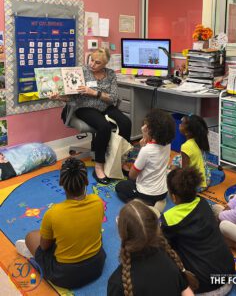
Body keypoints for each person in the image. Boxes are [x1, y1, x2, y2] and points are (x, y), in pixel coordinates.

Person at [15, 158, 106, 289]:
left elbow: (44, 247)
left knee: (31, 236)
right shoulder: (98, 201)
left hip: (66, 276)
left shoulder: (53, 213)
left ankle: (37, 259)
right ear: (86, 181)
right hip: (96, 266)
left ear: (61, 182)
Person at [53, 48, 132, 185]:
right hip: (85, 107)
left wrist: (94, 92)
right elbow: (71, 97)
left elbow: (113, 98)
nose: (92, 64)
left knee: (126, 122)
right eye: (91, 60)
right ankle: (99, 166)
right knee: (104, 127)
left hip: (105, 106)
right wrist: (58, 97)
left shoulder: (111, 74)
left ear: (105, 64)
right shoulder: (81, 72)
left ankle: (121, 160)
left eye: (97, 62)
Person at [161, 168, 235, 295]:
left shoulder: (170, 218)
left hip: (204, 288)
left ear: (173, 197)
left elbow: (165, 249)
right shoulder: (203, 203)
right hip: (229, 276)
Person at [107, 199, 198, 296]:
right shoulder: (171, 258)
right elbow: (186, 290)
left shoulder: (117, 283)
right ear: (156, 228)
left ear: (121, 234)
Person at [115, 109, 175, 207]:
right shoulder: (168, 144)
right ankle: (159, 201)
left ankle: (143, 204)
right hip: (163, 192)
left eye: (145, 127)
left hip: (147, 194)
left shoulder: (146, 150)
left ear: (152, 131)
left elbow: (132, 175)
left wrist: (143, 146)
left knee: (120, 187)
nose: (143, 128)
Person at [171, 115, 211, 191]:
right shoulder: (199, 140)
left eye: (182, 123)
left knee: (170, 173)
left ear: (188, 132)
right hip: (205, 179)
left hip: (196, 186)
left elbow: (184, 171)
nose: (180, 124)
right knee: (177, 158)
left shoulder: (186, 146)